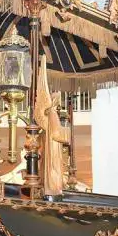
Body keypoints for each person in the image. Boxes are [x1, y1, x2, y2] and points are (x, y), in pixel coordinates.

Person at [34, 62, 70, 197]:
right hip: (53, 148)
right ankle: (53, 189)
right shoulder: (53, 113)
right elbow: (56, 134)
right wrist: (69, 133)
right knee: (53, 169)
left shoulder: (52, 113)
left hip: (51, 148)